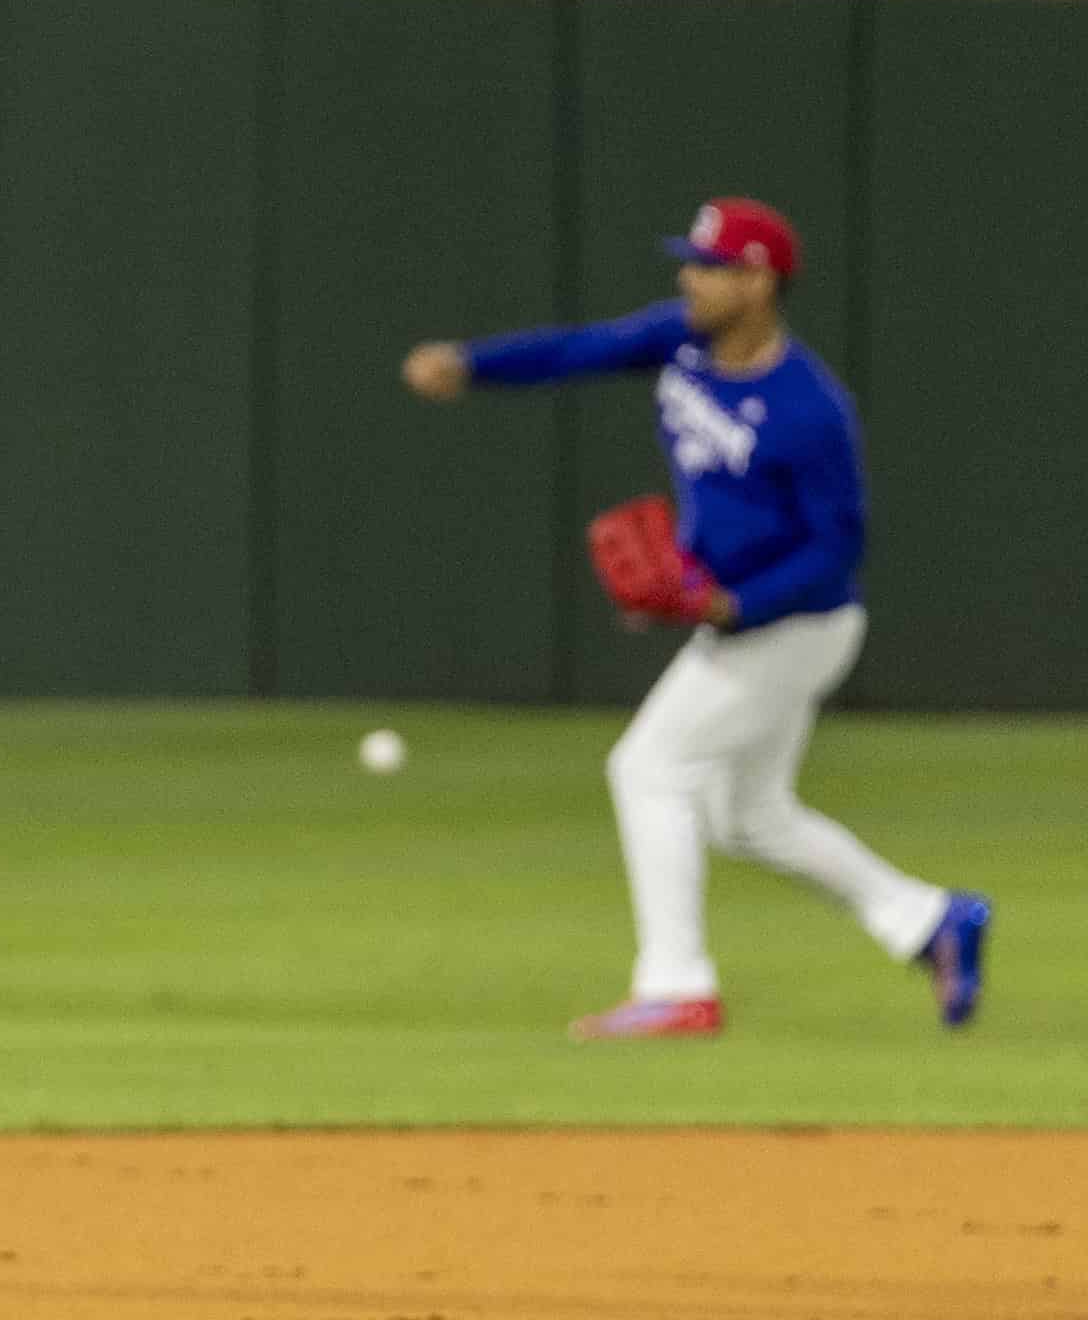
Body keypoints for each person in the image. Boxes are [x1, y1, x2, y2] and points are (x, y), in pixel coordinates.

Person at [403, 195, 989, 1042]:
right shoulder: (680, 338)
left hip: (796, 627)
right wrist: (472, 365)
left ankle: (677, 987)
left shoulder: (808, 409)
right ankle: (932, 919)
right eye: (691, 260)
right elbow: (582, 349)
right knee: (748, 817)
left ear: (759, 283)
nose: (691, 278)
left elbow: (836, 549)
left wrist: (734, 601)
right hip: (744, 623)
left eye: (711, 266)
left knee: (649, 768)